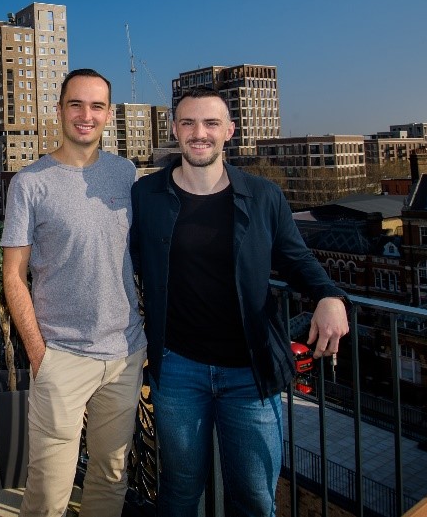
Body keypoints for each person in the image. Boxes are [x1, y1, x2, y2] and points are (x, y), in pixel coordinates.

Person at [130, 86, 349, 517]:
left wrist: (329, 294)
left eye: (211, 123)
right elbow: (121, 259)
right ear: (174, 130)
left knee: (253, 497)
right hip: (178, 368)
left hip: (250, 371)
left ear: (229, 131)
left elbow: (296, 258)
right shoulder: (147, 196)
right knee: (178, 491)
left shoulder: (263, 195)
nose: (200, 133)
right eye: (189, 123)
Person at [2, 68, 147, 517]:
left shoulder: (126, 174)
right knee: (48, 491)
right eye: (76, 105)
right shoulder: (30, 183)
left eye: (97, 106)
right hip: (61, 356)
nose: (87, 115)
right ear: (60, 111)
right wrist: (38, 352)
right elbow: (13, 275)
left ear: (108, 114)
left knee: (110, 477)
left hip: (124, 354)